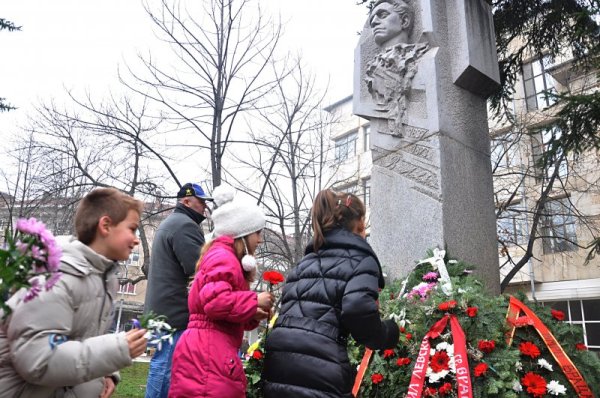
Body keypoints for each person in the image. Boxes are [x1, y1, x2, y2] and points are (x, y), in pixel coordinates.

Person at [0, 187, 148, 398]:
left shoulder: (103, 277)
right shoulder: (57, 279)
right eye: (132, 229)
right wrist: (116, 351)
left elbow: (85, 338)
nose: (136, 240)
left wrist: (106, 371)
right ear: (105, 225)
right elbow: (38, 361)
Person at [262, 189, 400, 398]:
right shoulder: (360, 259)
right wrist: (386, 333)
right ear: (361, 223)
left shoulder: (303, 264)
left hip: (278, 365)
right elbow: (358, 309)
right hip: (322, 369)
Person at [168, 184, 274, 398]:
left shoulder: (224, 258)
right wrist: (253, 301)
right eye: (257, 233)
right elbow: (215, 302)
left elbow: (223, 308)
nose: (260, 240)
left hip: (209, 349)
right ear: (242, 233)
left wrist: (251, 314)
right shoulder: (223, 258)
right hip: (208, 353)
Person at [144, 182, 213, 398]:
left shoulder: (170, 223)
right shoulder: (185, 225)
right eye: (201, 202)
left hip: (160, 310)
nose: (204, 207)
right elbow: (199, 267)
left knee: (162, 366)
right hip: (173, 314)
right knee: (165, 368)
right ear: (186, 201)